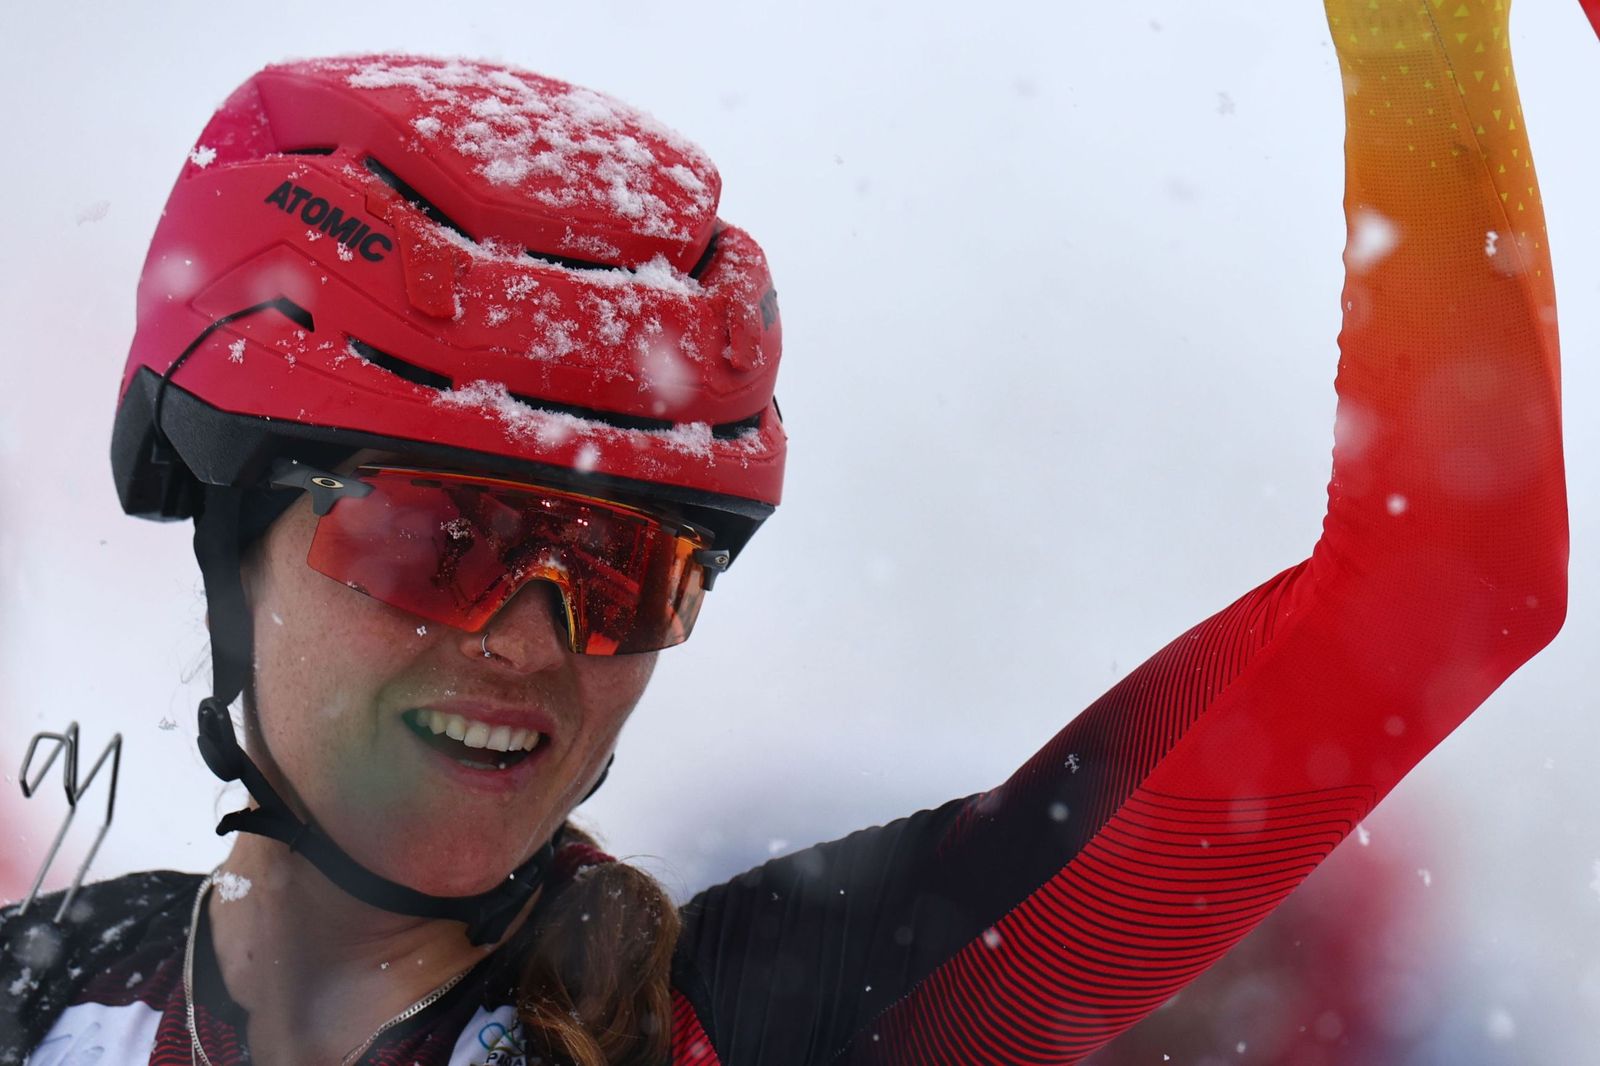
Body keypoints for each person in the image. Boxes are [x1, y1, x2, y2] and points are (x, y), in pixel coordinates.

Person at [0, 0, 1570, 1061]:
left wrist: (1419, 43)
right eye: (441, 539)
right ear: (227, 520)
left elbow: (1443, 590)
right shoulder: (35, 991)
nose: (536, 635)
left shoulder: (784, 1015)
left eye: (625, 572)